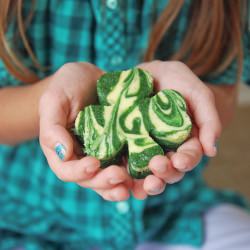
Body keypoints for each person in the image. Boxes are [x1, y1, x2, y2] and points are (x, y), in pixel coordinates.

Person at [0, 0, 250, 249]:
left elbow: (223, 91)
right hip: (28, 221)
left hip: (171, 216)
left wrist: (194, 102)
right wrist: (49, 102)